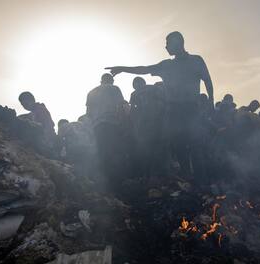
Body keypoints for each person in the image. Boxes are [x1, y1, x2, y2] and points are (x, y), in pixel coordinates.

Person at [106, 31, 214, 182]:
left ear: (179, 42)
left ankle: (201, 179)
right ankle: (187, 176)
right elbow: (143, 69)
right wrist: (123, 68)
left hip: (192, 109)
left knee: (195, 143)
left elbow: (207, 80)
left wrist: (211, 102)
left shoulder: (196, 60)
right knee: (178, 144)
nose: (166, 47)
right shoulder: (166, 66)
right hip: (173, 110)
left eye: (168, 43)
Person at [86, 73, 130, 189]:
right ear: (111, 81)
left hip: (97, 126)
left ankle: (106, 183)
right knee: (114, 150)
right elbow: (121, 105)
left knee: (102, 152)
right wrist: (125, 123)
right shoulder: (114, 88)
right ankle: (118, 181)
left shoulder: (91, 92)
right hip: (112, 123)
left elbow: (88, 113)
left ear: (101, 81)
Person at [130, 77, 167, 177]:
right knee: (154, 149)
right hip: (149, 124)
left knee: (150, 150)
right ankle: (152, 175)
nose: (137, 86)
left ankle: (151, 175)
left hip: (150, 124)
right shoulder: (149, 89)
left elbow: (132, 112)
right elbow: (163, 102)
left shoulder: (148, 89)